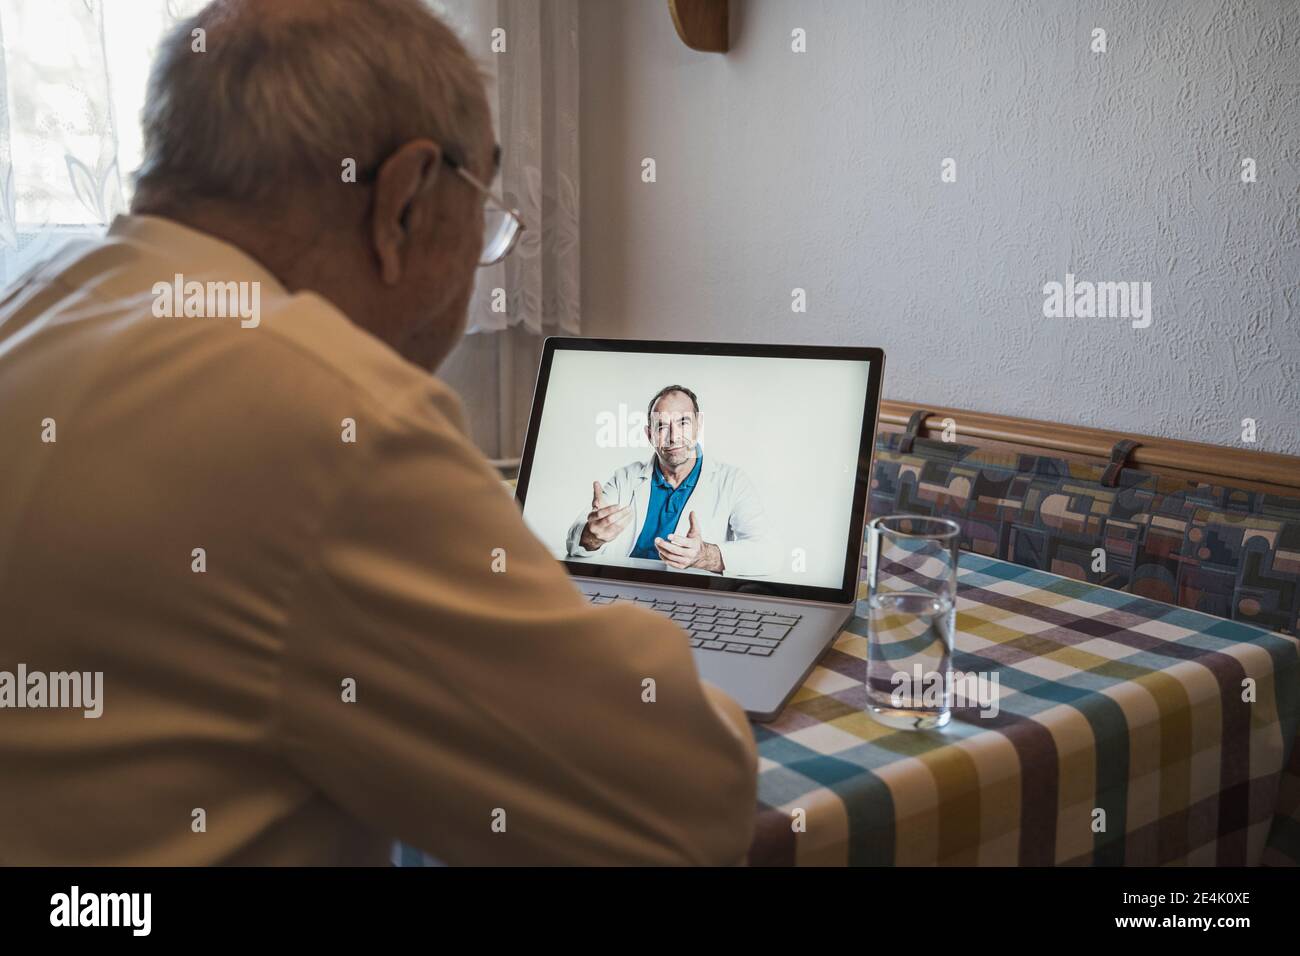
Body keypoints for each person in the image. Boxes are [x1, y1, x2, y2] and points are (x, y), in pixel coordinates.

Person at [0, 0, 756, 866]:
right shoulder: (329, 415)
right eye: (484, 219)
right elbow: (686, 806)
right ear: (402, 201)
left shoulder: (37, 302)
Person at [567, 385, 779, 576]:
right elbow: (575, 541)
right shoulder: (626, 478)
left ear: (699, 425)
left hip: (691, 598)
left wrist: (705, 556)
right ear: (649, 435)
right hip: (626, 593)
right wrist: (592, 537)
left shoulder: (732, 481)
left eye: (683, 422)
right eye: (661, 426)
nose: (673, 436)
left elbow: (769, 554)